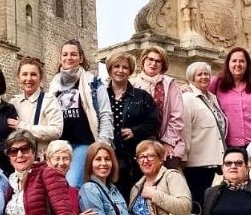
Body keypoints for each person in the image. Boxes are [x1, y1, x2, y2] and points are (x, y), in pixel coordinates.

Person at [47, 40, 113, 186]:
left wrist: (102, 145)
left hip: (84, 143)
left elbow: (105, 114)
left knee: (72, 183)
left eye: (73, 54)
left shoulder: (93, 83)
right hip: (61, 144)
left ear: (81, 58)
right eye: (65, 54)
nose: (68, 58)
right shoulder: (54, 85)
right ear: (60, 58)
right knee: (57, 185)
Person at [105, 51, 158, 197]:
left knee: (133, 196)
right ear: (110, 69)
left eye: (125, 67)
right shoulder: (100, 95)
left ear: (130, 71)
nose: (120, 71)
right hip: (107, 155)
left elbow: (154, 122)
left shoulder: (142, 96)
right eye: (116, 66)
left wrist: (135, 131)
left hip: (133, 158)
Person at [181, 61, 228, 209]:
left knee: (211, 203)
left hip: (214, 160)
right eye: (199, 74)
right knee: (198, 203)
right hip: (196, 162)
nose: (204, 77)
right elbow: (185, 130)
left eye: (206, 74)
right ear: (191, 78)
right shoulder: (187, 98)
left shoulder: (212, 98)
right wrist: (183, 157)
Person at [130, 46, 185, 168]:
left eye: (158, 61)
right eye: (150, 59)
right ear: (143, 61)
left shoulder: (169, 84)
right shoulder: (132, 85)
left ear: (162, 64)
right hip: (139, 140)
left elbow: (177, 115)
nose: (153, 63)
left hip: (166, 139)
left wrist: (168, 142)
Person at [8, 56, 63, 158]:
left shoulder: (49, 101)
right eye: (24, 74)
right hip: (19, 161)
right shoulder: (13, 102)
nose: (29, 79)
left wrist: (22, 126)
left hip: (42, 161)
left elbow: (56, 131)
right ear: (18, 78)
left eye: (33, 74)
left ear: (40, 78)